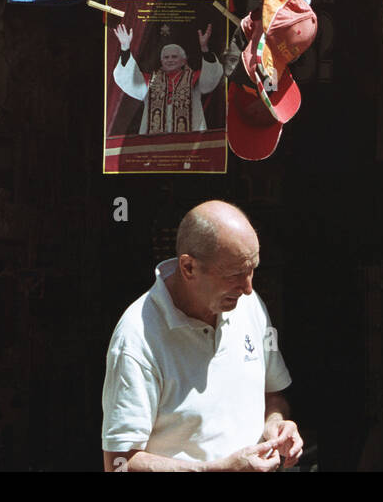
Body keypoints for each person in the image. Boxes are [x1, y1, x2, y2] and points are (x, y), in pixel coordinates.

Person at [102, 200, 302, 472]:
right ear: (188, 268)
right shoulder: (137, 337)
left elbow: (273, 395)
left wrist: (276, 425)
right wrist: (217, 469)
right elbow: (119, 464)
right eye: (234, 274)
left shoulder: (250, 304)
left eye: (252, 269)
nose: (247, 287)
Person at [110, 23, 223, 135]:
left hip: (189, 142)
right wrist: (125, 48)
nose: (170, 60)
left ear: (184, 60)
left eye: (174, 57)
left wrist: (204, 49)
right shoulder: (150, 81)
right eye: (166, 57)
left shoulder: (194, 78)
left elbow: (211, 78)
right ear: (162, 61)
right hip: (154, 144)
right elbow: (128, 79)